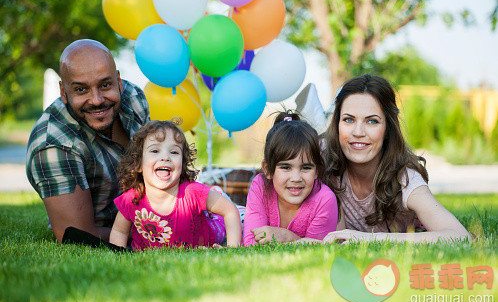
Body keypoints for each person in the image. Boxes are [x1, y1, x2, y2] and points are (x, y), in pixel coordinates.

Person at [322, 74, 471, 243]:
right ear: (337, 124)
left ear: (388, 128)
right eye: (348, 120)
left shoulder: (405, 177)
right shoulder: (320, 155)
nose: (358, 132)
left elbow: (460, 235)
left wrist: (368, 239)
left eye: (372, 122)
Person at [26, 39, 149, 242]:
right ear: (63, 93)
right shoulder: (53, 144)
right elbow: (77, 234)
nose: (97, 100)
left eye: (105, 85)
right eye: (81, 90)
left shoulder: (133, 98)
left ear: (118, 81)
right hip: (110, 228)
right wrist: (158, 235)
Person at [109, 120, 242, 250]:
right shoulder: (131, 199)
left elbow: (229, 211)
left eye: (174, 152)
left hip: (211, 229)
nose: (165, 157)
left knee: (233, 219)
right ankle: (213, 198)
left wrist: (232, 248)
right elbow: (120, 232)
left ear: (182, 164)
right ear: (138, 164)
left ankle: (223, 200)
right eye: (155, 151)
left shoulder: (193, 192)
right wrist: (117, 255)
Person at [243, 111, 339, 246]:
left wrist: (287, 237)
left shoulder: (324, 200)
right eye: (286, 167)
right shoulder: (261, 186)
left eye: (306, 168)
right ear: (268, 170)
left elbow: (318, 251)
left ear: (317, 170)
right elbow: (251, 244)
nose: (296, 178)